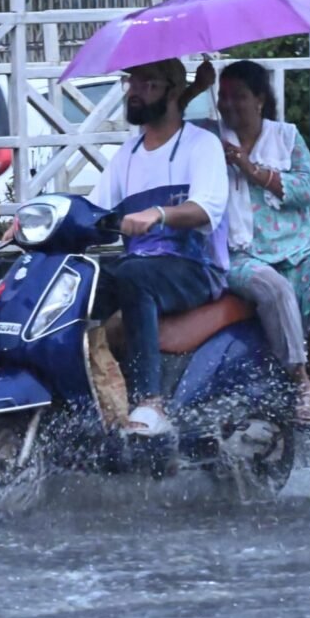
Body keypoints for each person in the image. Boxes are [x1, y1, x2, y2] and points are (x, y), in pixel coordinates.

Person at [86, 58, 230, 436]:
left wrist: (159, 214)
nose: (135, 92)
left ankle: (151, 402)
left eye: (148, 84)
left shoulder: (202, 144)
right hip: (140, 267)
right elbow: (92, 210)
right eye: (132, 82)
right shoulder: (127, 155)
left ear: (174, 91)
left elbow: (206, 208)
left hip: (194, 267)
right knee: (77, 286)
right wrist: (34, 221)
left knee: (135, 275)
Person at [212, 59, 310, 425]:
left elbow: (307, 189)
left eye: (238, 96)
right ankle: (301, 381)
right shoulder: (209, 140)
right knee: (274, 289)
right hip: (242, 254)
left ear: (260, 99)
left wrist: (251, 169)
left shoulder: (286, 137)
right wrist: (197, 89)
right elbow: (174, 128)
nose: (228, 104)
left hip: (298, 248)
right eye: (222, 96)